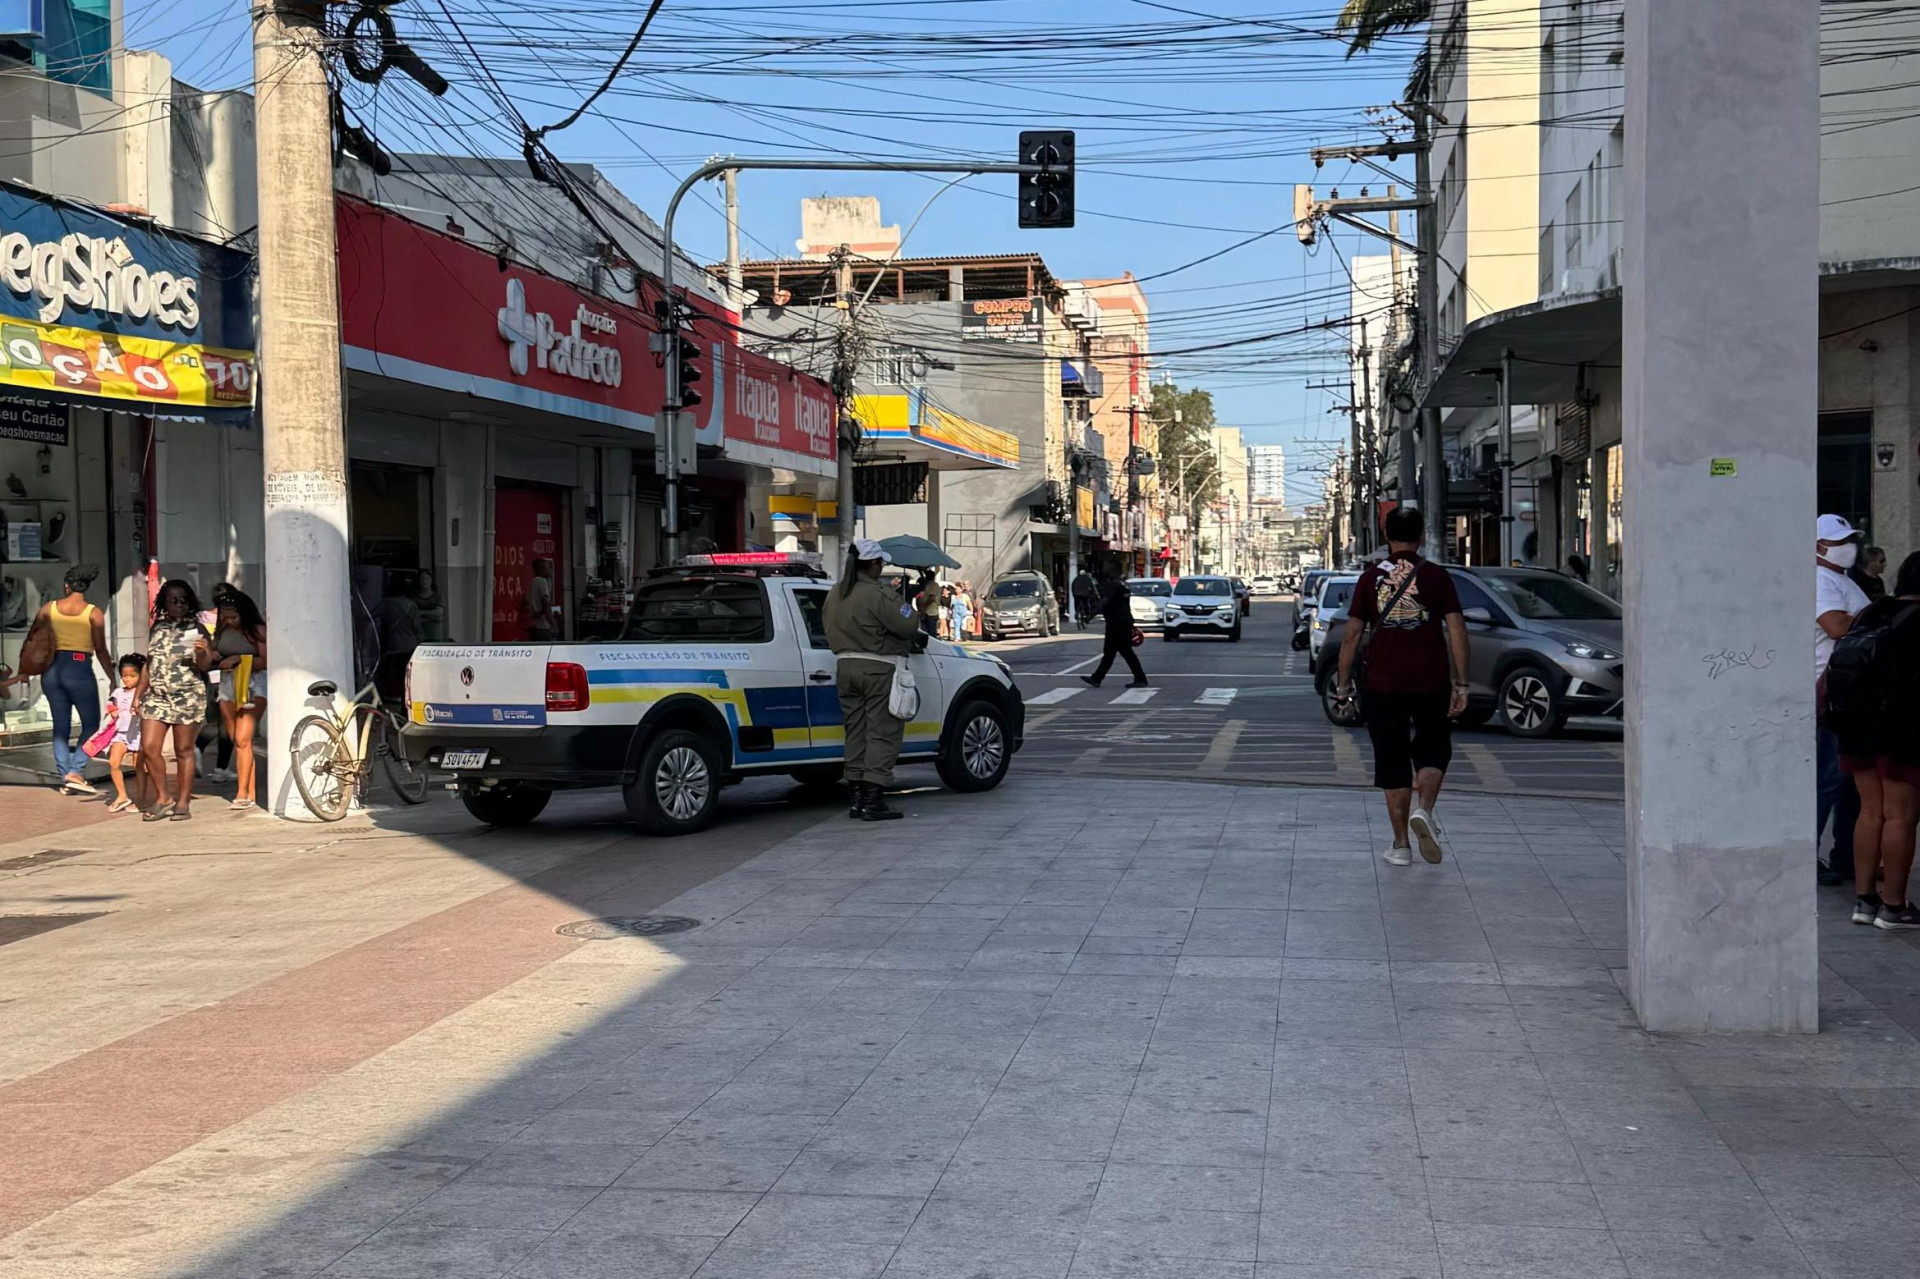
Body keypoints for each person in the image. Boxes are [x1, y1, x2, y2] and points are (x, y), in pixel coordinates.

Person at [1334, 504, 1470, 867]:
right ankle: (1423, 810)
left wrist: (1343, 685)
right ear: (1422, 536)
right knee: (1433, 749)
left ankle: (1400, 846)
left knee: (1392, 759)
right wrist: (1462, 683)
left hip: (1382, 683)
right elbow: (1457, 629)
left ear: (1385, 535)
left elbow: (1351, 636)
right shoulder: (1438, 576)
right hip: (1430, 680)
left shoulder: (1370, 578)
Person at [1831, 550, 1920, 930]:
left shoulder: (1872, 612)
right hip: (1902, 730)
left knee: (1870, 812)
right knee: (1901, 816)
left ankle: (1864, 901)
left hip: (1856, 726)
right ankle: (1894, 906)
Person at [823, 538, 923, 821]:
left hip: (845, 667)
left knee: (855, 732)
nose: (883, 567)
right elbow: (908, 625)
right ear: (874, 564)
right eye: (881, 562)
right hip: (878, 668)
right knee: (882, 732)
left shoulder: (835, 593)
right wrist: (905, 601)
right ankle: (873, 800)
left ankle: (856, 799)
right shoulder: (878, 594)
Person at [1816, 514, 1872, 886]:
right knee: (1830, 779)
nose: (1848, 548)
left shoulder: (1842, 580)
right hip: (1831, 693)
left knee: (1849, 782)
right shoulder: (1820, 580)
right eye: (1839, 542)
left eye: (1850, 540)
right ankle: (1810, 855)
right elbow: (1836, 626)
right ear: (1819, 547)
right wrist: (1877, 620)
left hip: (1852, 694)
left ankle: (1846, 857)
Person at [33, 564, 115, 794]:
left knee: (61, 726)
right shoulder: (93, 613)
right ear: (86, 587)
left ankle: (65, 774)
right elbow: (100, 649)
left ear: (66, 585)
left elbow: (33, 640)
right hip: (79, 669)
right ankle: (76, 771)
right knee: (91, 724)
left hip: (51, 670)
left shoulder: (49, 609)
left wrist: (24, 670)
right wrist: (112, 678)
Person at [136, 579, 210, 821]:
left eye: (183, 600)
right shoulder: (158, 627)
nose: (178, 604)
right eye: (173, 600)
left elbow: (205, 666)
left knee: (183, 750)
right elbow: (150, 663)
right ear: (165, 603)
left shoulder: (194, 629)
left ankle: (182, 802)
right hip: (157, 697)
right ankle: (163, 797)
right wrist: (138, 694)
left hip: (186, 696)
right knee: (149, 748)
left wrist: (202, 652)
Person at [210, 587, 268, 812]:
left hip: (253, 685)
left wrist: (238, 659)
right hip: (227, 685)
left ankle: (242, 792)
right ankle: (249, 789)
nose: (229, 620)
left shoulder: (257, 631)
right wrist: (211, 654)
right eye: (224, 616)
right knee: (238, 740)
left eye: (233, 616)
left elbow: (266, 660)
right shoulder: (221, 631)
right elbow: (213, 653)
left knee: (244, 739)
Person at [95, 654, 149, 814]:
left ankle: (142, 798)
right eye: (124, 676)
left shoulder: (145, 693)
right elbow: (110, 704)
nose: (127, 680)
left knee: (139, 766)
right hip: (120, 733)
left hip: (138, 733)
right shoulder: (118, 692)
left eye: (132, 676)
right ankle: (122, 795)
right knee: (114, 763)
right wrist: (112, 711)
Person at [1081, 564, 1149, 689]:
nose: (1105, 573)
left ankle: (1140, 678)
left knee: (1123, 652)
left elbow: (1105, 601)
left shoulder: (1113, 585)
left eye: (1107, 570)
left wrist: (1091, 614)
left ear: (1112, 572)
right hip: (1124, 621)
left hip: (1116, 623)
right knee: (1112, 653)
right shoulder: (1124, 585)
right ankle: (1097, 678)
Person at [372, 572, 424, 699]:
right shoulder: (411, 605)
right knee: (406, 678)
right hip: (409, 647)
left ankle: (384, 701)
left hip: (391, 646)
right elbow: (417, 629)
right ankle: (405, 704)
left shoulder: (385, 603)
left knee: (387, 676)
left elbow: (369, 616)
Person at [523, 558, 556, 640]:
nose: (550, 570)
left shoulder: (532, 582)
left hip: (533, 626)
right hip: (543, 626)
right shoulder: (542, 582)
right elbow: (546, 606)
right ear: (541, 569)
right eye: (548, 567)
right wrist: (553, 623)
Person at [412, 568, 448, 642]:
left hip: (435, 633)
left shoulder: (437, 596)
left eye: (426, 578)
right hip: (418, 634)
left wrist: (420, 613)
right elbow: (412, 614)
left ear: (431, 580)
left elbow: (439, 613)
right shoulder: (414, 596)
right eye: (422, 578)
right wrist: (430, 615)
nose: (424, 581)